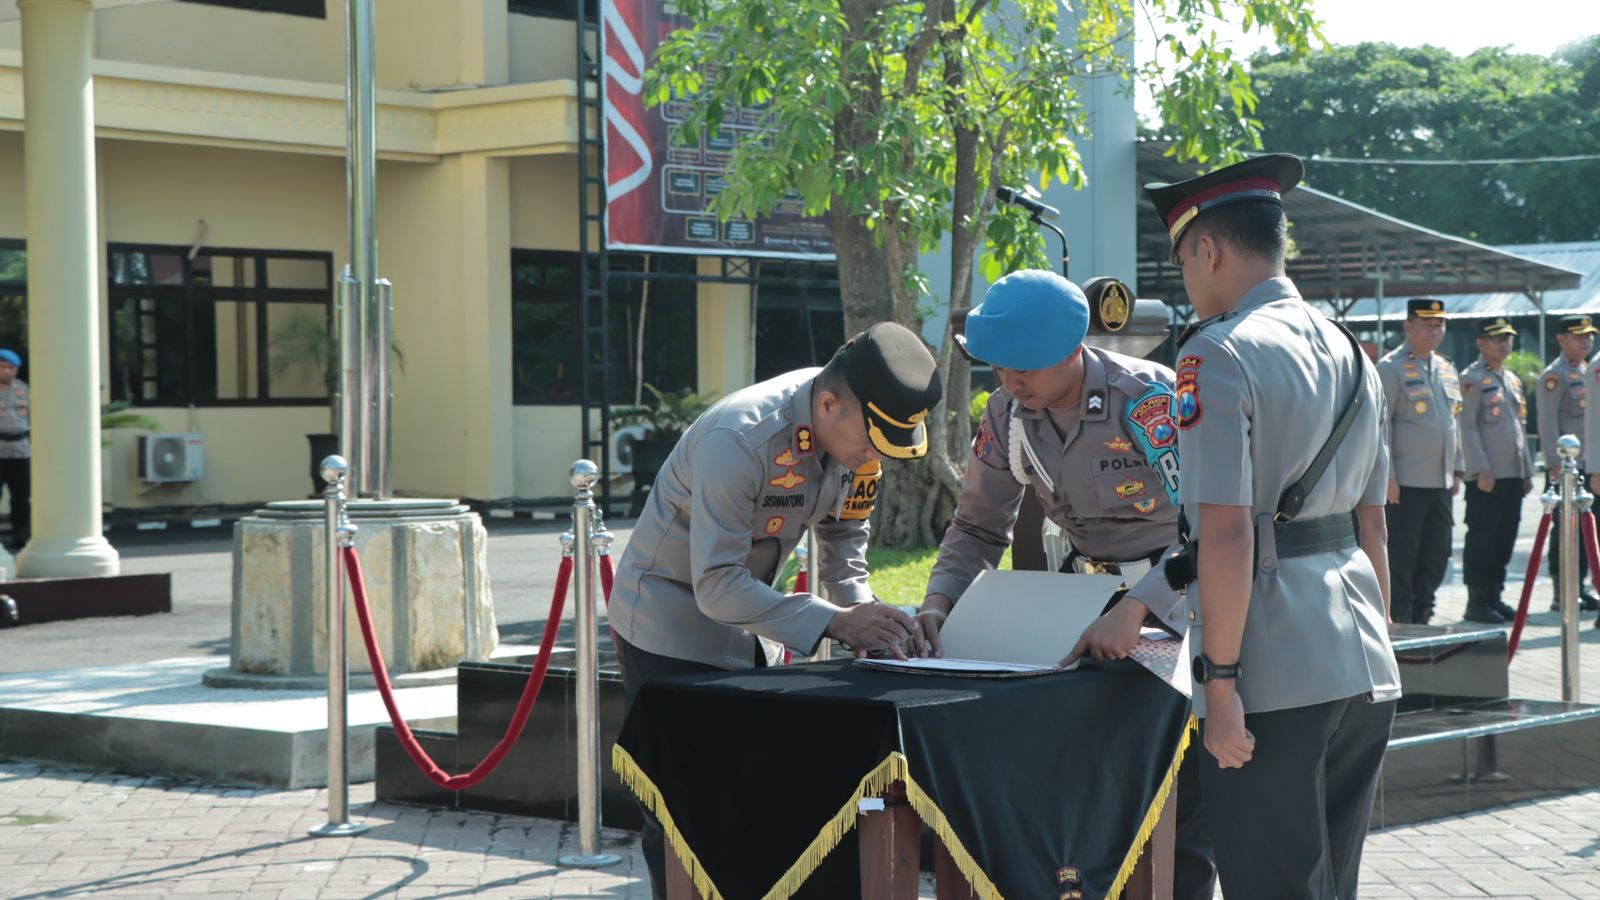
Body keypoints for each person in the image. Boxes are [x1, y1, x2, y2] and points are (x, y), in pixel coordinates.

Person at [1137, 153, 1400, 899]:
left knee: (1272, 886)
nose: (1187, 279)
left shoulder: (1215, 352)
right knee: (1330, 884)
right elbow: (1373, 522)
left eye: (1183, 262)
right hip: (1361, 655)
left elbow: (1224, 534)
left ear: (1208, 249)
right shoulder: (1351, 349)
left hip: (1272, 670)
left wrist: (1219, 686)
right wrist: (1382, 646)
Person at [908, 268, 1214, 900]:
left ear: (1074, 349)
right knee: (1087, 772)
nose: (1011, 380)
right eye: (999, 366)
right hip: (1081, 608)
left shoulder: (1147, 401)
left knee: (1177, 781)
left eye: (1026, 366)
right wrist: (939, 601)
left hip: (1177, 605)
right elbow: (977, 524)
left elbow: (1209, 527)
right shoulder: (1007, 413)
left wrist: (1138, 607)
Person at [607, 321, 939, 899]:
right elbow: (714, 584)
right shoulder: (740, 439)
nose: (874, 457)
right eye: (872, 442)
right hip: (665, 625)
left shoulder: (858, 435)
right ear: (828, 404)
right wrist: (835, 621)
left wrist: (871, 621)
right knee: (682, 808)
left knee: (748, 805)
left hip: (749, 623)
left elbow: (845, 546)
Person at [1376, 299, 1464, 625]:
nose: (1434, 330)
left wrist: (1457, 468)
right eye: (1427, 324)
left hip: (1440, 481)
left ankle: (1424, 612)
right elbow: (1379, 426)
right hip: (1406, 483)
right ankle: (1401, 615)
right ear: (1407, 326)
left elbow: (1453, 422)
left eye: (1439, 324)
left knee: (1436, 554)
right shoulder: (1390, 368)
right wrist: (1388, 477)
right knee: (1403, 555)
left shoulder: (1446, 368)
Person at [1458, 318, 1535, 624]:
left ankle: (1494, 595)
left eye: (1508, 338)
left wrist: (1526, 470)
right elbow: (1467, 427)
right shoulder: (1471, 379)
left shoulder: (1511, 379)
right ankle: (1476, 601)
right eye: (1497, 338)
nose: (1505, 344)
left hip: (1512, 473)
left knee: (1505, 537)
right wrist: (1481, 469)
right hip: (1487, 476)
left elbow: (1519, 428)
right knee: (1483, 538)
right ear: (1481, 343)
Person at [1539, 315, 1600, 612]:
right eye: (1578, 336)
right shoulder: (1556, 375)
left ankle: (1581, 586)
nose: (1586, 340)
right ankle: (1562, 591)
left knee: (1588, 529)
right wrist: (1554, 462)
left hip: (1590, 463)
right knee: (1566, 530)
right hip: (1567, 468)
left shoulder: (1588, 370)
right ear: (1561, 339)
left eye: (1589, 335)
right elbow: (1548, 422)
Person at [0, 349, 30, 551]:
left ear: (16, 369)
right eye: (2, 367)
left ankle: (21, 534)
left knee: (21, 497)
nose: (6, 371)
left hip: (21, 450)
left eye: (10, 367)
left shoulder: (25, 390)